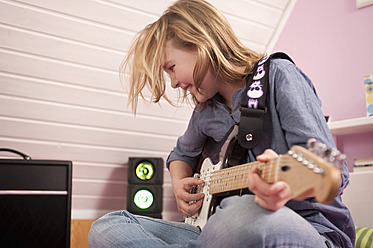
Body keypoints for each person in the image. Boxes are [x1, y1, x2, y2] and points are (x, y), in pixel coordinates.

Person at [88, 0, 355, 247]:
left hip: (308, 227)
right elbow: (180, 154)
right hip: (213, 232)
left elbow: (334, 172)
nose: (173, 83)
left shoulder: (279, 77)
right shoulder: (206, 110)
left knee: (239, 212)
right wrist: (181, 184)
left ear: (199, 43)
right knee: (107, 227)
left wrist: (284, 189)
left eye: (170, 67)